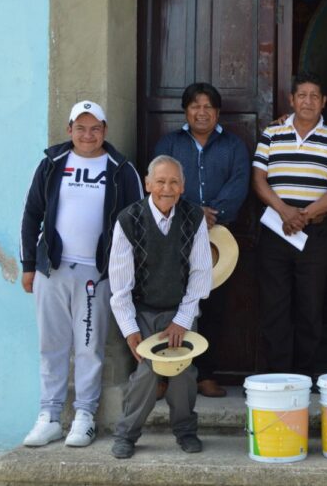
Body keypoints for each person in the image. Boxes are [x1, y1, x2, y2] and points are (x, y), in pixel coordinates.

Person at [19, 101, 144, 447]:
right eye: (80, 128)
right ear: (69, 129)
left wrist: (126, 277)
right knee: (52, 345)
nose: (87, 135)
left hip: (97, 274)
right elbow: (31, 216)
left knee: (89, 346)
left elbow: (136, 224)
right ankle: (50, 416)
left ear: (104, 130)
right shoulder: (52, 164)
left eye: (94, 128)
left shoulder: (121, 169)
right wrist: (30, 265)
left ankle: (85, 416)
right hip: (52, 269)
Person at [109, 155, 212, 458]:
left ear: (182, 187)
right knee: (146, 374)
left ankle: (185, 431)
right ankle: (126, 435)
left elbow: (201, 274)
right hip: (142, 311)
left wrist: (182, 320)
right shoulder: (129, 220)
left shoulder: (193, 218)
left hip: (181, 310)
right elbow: (120, 285)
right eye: (161, 181)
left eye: (174, 182)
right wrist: (130, 330)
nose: (167, 188)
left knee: (183, 373)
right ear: (148, 183)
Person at [153, 82, 250, 397]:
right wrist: (193, 212)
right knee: (171, 305)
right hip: (174, 236)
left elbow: (239, 182)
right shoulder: (170, 143)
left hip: (217, 239)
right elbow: (160, 185)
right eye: (195, 106)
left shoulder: (232, 146)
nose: (202, 112)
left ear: (217, 112)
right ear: (186, 110)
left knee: (213, 307)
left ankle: (204, 374)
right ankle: (164, 374)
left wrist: (214, 213)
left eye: (208, 106)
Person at [252, 71, 327, 377]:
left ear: (323, 102)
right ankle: (278, 375)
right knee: (275, 305)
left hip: (315, 233)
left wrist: (303, 216)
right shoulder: (272, 134)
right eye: (302, 95)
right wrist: (284, 211)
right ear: (292, 100)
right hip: (275, 229)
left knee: (310, 306)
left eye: (314, 96)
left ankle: (305, 375)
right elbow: (258, 180)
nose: (308, 101)